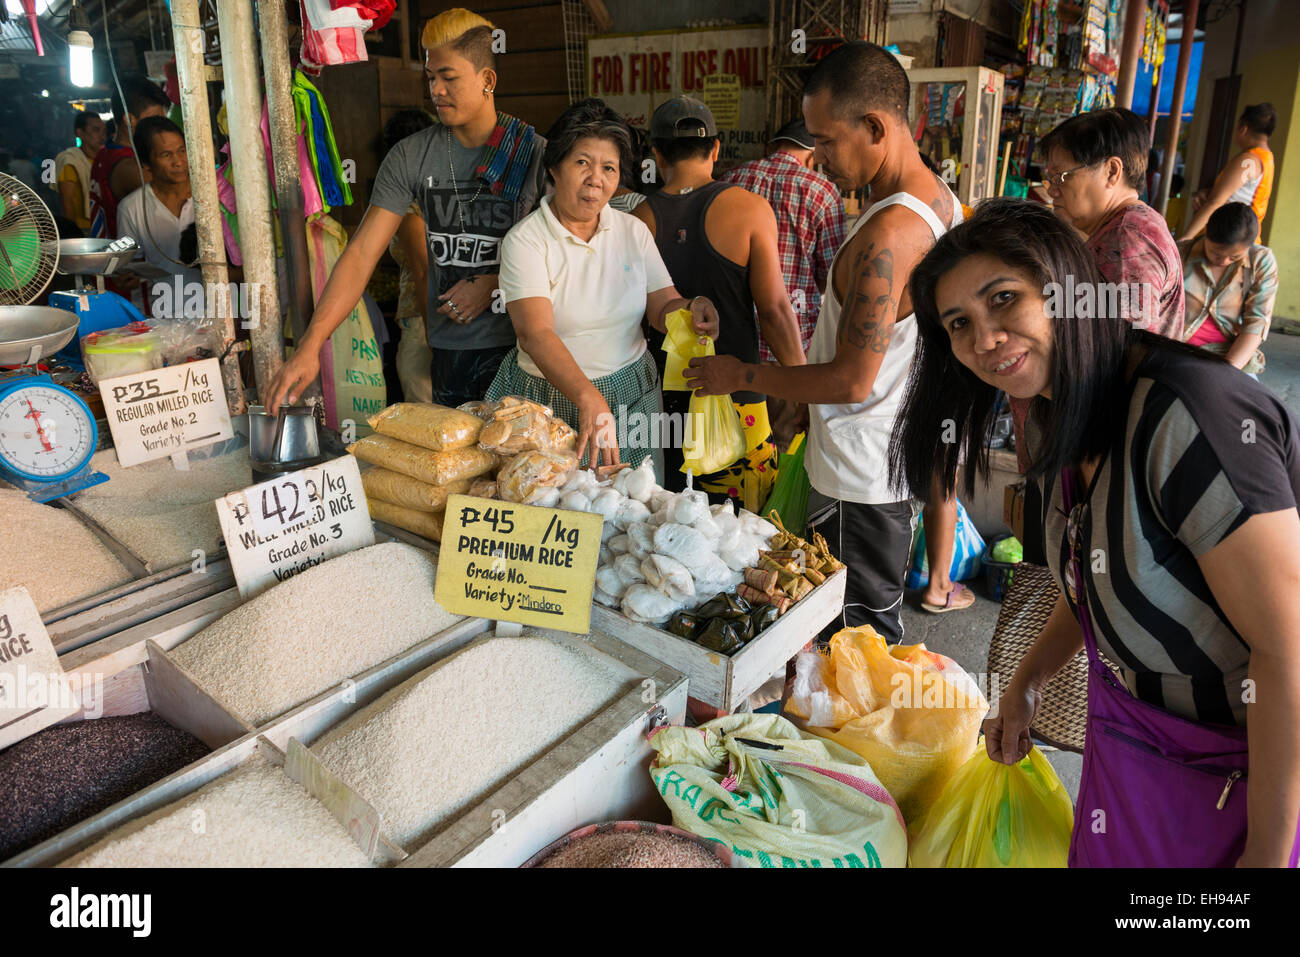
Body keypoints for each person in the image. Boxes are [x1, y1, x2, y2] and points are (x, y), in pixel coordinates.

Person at [891, 198, 1300, 868]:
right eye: (958, 323)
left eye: (1004, 299)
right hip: (1132, 739)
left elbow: (1287, 650)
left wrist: (1266, 856)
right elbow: (1094, 572)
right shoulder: (1060, 409)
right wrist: (1025, 683)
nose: (984, 338)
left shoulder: (1190, 418)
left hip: (1246, 766)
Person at [684, 42, 962, 642]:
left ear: (875, 127)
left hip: (859, 477)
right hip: (883, 460)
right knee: (857, 645)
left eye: (826, 141)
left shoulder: (890, 234)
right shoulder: (937, 199)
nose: (815, 160)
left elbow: (850, 379)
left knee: (851, 647)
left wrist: (741, 375)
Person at [264, 8, 548, 412]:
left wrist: (496, 281)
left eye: (449, 78)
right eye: (430, 77)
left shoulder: (533, 152)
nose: (436, 91)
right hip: (451, 350)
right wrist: (310, 344)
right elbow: (362, 254)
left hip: (526, 348)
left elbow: (570, 251)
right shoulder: (411, 157)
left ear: (487, 80)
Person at [491, 98, 719, 474]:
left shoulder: (632, 230)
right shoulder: (526, 240)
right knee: (559, 514)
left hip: (632, 392)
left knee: (634, 510)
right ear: (554, 168)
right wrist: (587, 399)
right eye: (582, 163)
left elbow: (663, 306)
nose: (596, 178)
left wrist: (690, 310)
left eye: (608, 168)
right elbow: (534, 333)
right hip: (550, 398)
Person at [633, 97, 805, 507]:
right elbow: (776, 311)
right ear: (715, 148)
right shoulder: (748, 209)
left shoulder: (637, 220)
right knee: (740, 536)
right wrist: (801, 387)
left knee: (669, 529)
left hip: (662, 411)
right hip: (738, 400)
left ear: (657, 154)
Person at [1006, 107, 1187, 476]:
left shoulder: (1128, 237)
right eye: (1048, 175)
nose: (1050, 188)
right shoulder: (1119, 230)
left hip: (1103, 450)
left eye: (1061, 175)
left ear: (1112, 171)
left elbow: (1120, 355)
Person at [721, 117, 848, 450]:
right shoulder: (822, 191)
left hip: (735, 349)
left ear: (774, 146)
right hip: (790, 354)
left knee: (736, 448)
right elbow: (832, 278)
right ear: (811, 154)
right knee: (783, 446)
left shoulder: (732, 180)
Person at [1180, 202, 1278, 379]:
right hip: (1178, 348)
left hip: (1229, 354)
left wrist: (1227, 373)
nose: (1224, 261)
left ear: (1249, 247)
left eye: (1235, 257)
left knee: (1245, 401)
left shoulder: (1260, 261)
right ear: (1206, 235)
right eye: (1216, 253)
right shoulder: (1180, 254)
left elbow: (1256, 323)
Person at [381, 109, 436, 403]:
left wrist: (435, 341)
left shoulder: (412, 206)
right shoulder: (439, 191)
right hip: (444, 320)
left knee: (426, 417)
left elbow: (424, 271)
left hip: (423, 322)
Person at [115, 116, 202, 290]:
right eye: (166, 155)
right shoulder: (132, 208)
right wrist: (126, 277)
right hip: (160, 311)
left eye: (182, 151)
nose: (178, 162)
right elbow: (124, 269)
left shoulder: (212, 197)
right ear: (145, 163)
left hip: (217, 310)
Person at [1180, 102, 1276, 244]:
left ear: (1243, 129)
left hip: (1227, 239)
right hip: (1245, 237)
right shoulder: (1267, 158)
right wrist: (1209, 192)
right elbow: (1239, 193)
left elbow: (1215, 202)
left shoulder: (1248, 161)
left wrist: (1185, 239)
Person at [89, 74, 172, 239]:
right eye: (155, 120)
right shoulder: (128, 166)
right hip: (132, 261)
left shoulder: (106, 152)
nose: (161, 128)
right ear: (129, 120)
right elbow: (174, 195)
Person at [56, 112, 106, 231]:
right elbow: (67, 203)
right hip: (83, 229)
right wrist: (73, 233)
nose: (102, 136)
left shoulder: (105, 159)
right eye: (96, 130)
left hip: (106, 226)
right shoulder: (70, 161)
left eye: (104, 131)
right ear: (80, 133)